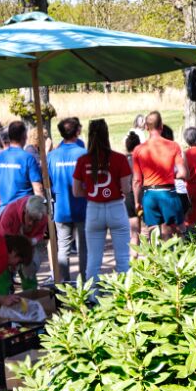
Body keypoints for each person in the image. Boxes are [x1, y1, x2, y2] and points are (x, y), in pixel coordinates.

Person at [74, 119, 133, 282]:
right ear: (107, 134)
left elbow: (76, 191)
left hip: (93, 209)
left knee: (93, 259)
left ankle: (93, 297)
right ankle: (125, 297)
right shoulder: (119, 158)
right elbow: (126, 189)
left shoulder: (83, 160)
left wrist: (93, 191)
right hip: (116, 208)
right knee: (122, 258)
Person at [132, 111, 188, 240]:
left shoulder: (138, 150)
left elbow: (136, 181)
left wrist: (136, 202)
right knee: (178, 232)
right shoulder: (173, 146)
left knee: (153, 234)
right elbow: (183, 173)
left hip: (150, 195)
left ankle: (156, 259)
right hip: (169, 194)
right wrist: (170, 174)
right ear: (161, 126)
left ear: (146, 127)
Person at [48, 117, 88, 282]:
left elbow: (48, 181)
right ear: (77, 131)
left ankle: (63, 282)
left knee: (63, 247)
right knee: (83, 248)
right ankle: (85, 282)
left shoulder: (51, 156)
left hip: (61, 207)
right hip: (83, 206)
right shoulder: (84, 154)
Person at [0, 121, 43, 215]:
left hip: (4, 209)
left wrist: (2, 192)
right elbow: (37, 189)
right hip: (24, 210)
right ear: (24, 136)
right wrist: (41, 209)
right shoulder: (28, 158)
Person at [0, 195, 48, 293]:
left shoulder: (43, 216)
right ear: (25, 210)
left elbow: (40, 234)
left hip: (27, 244)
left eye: (35, 220)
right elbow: (4, 239)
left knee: (29, 269)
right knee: (2, 270)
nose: (31, 223)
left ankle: (32, 298)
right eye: (30, 218)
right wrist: (11, 260)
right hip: (5, 244)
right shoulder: (10, 213)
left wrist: (33, 241)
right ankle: (2, 300)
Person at [123, 133, 143, 250]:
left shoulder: (124, 160)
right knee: (148, 230)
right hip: (142, 194)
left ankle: (134, 260)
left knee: (134, 233)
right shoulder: (142, 158)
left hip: (128, 197)